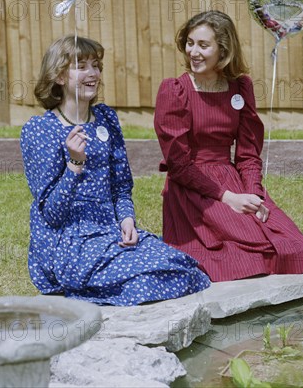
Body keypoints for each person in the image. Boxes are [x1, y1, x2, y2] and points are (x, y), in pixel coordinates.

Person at [20, 35, 210, 306]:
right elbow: (51, 214)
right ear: (59, 76)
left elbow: (121, 186)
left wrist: (127, 221)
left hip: (110, 230)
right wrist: (74, 164)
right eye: (81, 66)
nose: (93, 73)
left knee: (187, 271)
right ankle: (82, 293)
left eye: (96, 65)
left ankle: (95, 287)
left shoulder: (106, 118)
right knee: (144, 284)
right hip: (68, 240)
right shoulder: (40, 130)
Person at [154, 10, 303, 282]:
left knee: (295, 248)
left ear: (223, 50)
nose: (193, 52)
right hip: (193, 188)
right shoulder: (174, 90)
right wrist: (228, 198)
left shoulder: (240, 87)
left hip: (233, 180)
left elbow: (248, 155)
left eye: (203, 45)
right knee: (241, 257)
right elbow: (179, 166)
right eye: (190, 43)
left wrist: (253, 194)